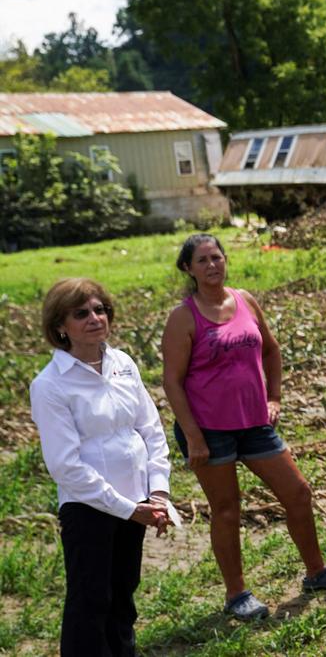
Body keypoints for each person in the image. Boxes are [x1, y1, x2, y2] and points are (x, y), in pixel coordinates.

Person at [163, 234, 326, 621]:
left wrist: (274, 398)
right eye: (202, 260)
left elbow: (270, 349)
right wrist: (195, 437)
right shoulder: (183, 317)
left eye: (217, 257)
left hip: (254, 423)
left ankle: (316, 572)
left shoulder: (245, 300)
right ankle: (237, 595)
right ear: (188, 268)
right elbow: (172, 381)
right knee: (227, 510)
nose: (212, 265)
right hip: (209, 430)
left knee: (298, 493)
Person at [30, 278, 171, 655]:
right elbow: (66, 466)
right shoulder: (49, 385)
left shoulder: (123, 363)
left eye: (100, 310)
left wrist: (157, 491)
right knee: (90, 603)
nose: (95, 318)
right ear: (60, 326)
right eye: (81, 313)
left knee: (123, 595)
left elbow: (150, 430)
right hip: (89, 508)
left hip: (137, 502)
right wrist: (129, 509)